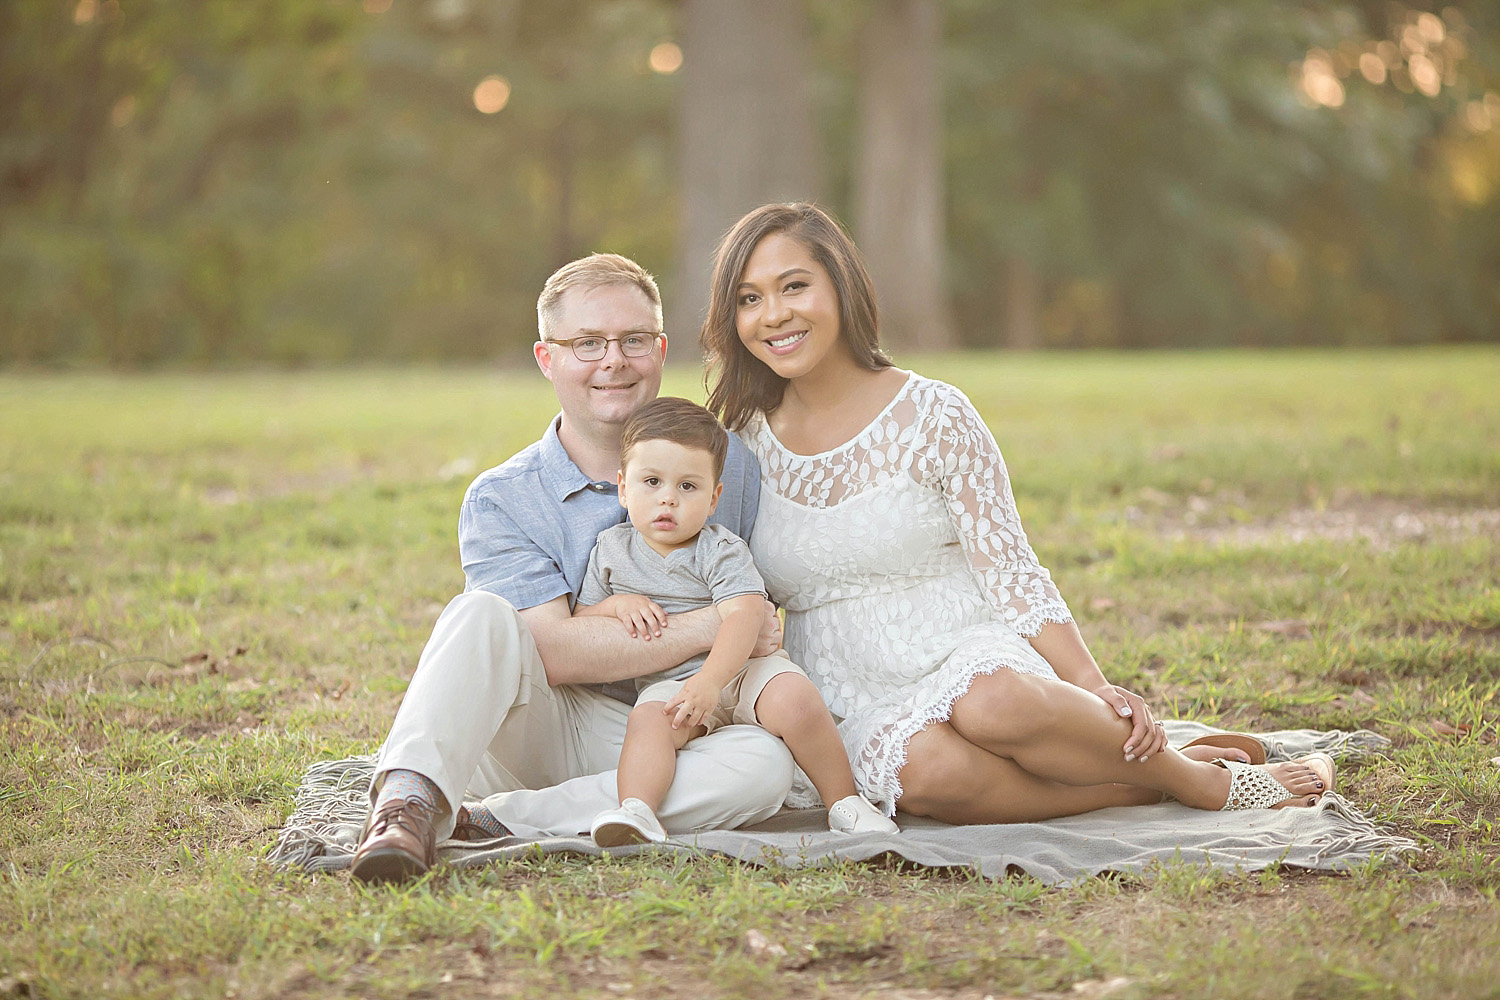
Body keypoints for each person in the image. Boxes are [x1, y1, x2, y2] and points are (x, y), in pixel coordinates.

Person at [700, 203, 1335, 823]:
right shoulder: (740, 447)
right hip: (842, 686)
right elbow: (710, 575)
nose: (774, 314)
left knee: (994, 704)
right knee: (928, 775)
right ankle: (1137, 790)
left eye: (794, 286)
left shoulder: (935, 413)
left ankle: (1191, 779)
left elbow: (1010, 568)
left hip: (959, 644)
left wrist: (1091, 682)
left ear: (839, 286)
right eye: (749, 299)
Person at [351, 253, 794, 883]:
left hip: (674, 724)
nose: (613, 360)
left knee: (763, 768)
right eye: (586, 342)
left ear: (661, 350)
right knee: (481, 614)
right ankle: (406, 806)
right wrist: (726, 626)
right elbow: (556, 651)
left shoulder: (731, 467)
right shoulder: (502, 497)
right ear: (546, 358)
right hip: (544, 723)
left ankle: (501, 820)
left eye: (633, 340)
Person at [573, 397, 897, 845]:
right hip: (674, 683)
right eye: (651, 482)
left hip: (743, 670)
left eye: (688, 486)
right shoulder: (610, 551)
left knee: (795, 698)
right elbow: (582, 617)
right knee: (648, 722)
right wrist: (617, 605)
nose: (668, 497)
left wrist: (711, 680)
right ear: (623, 488)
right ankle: (638, 811)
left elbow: (745, 614)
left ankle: (845, 802)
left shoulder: (718, 549)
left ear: (714, 498)